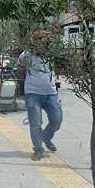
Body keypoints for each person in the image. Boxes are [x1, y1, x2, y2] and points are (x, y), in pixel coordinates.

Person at [16, 29, 62, 161]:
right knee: (35, 123)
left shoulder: (52, 55)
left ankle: (46, 137)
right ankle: (38, 149)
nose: (42, 40)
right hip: (33, 95)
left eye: (44, 37)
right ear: (33, 40)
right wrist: (30, 83)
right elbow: (19, 71)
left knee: (57, 120)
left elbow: (58, 69)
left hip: (51, 94)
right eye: (39, 38)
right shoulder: (25, 56)